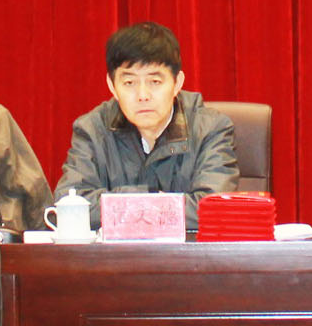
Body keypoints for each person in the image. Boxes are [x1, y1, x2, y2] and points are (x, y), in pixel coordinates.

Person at [55, 22, 239, 228]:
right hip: (115, 250)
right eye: (129, 83)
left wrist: (129, 205)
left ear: (177, 83)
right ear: (112, 86)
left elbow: (214, 209)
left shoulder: (211, 129)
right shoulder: (92, 129)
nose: (143, 95)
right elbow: (69, 204)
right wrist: (151, 198)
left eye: (155, 82)